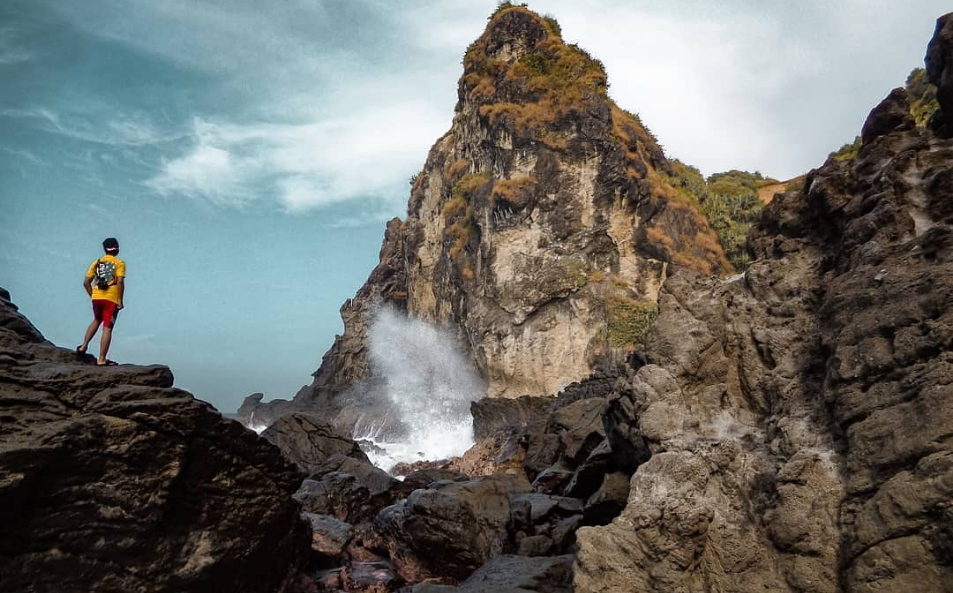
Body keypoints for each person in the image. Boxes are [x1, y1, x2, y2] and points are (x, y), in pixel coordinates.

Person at [77, 237, 126, 365]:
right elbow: (120, 281)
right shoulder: (119, 263)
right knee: (107, 328)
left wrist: (93, 295)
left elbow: (86, 282)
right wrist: (120, 299)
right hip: (111, 299)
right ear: (117, 248)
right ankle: (102, 359)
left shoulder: (96, 263)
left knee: (97, 320)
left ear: (104, 249)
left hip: (97, 297)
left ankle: (83, 346)